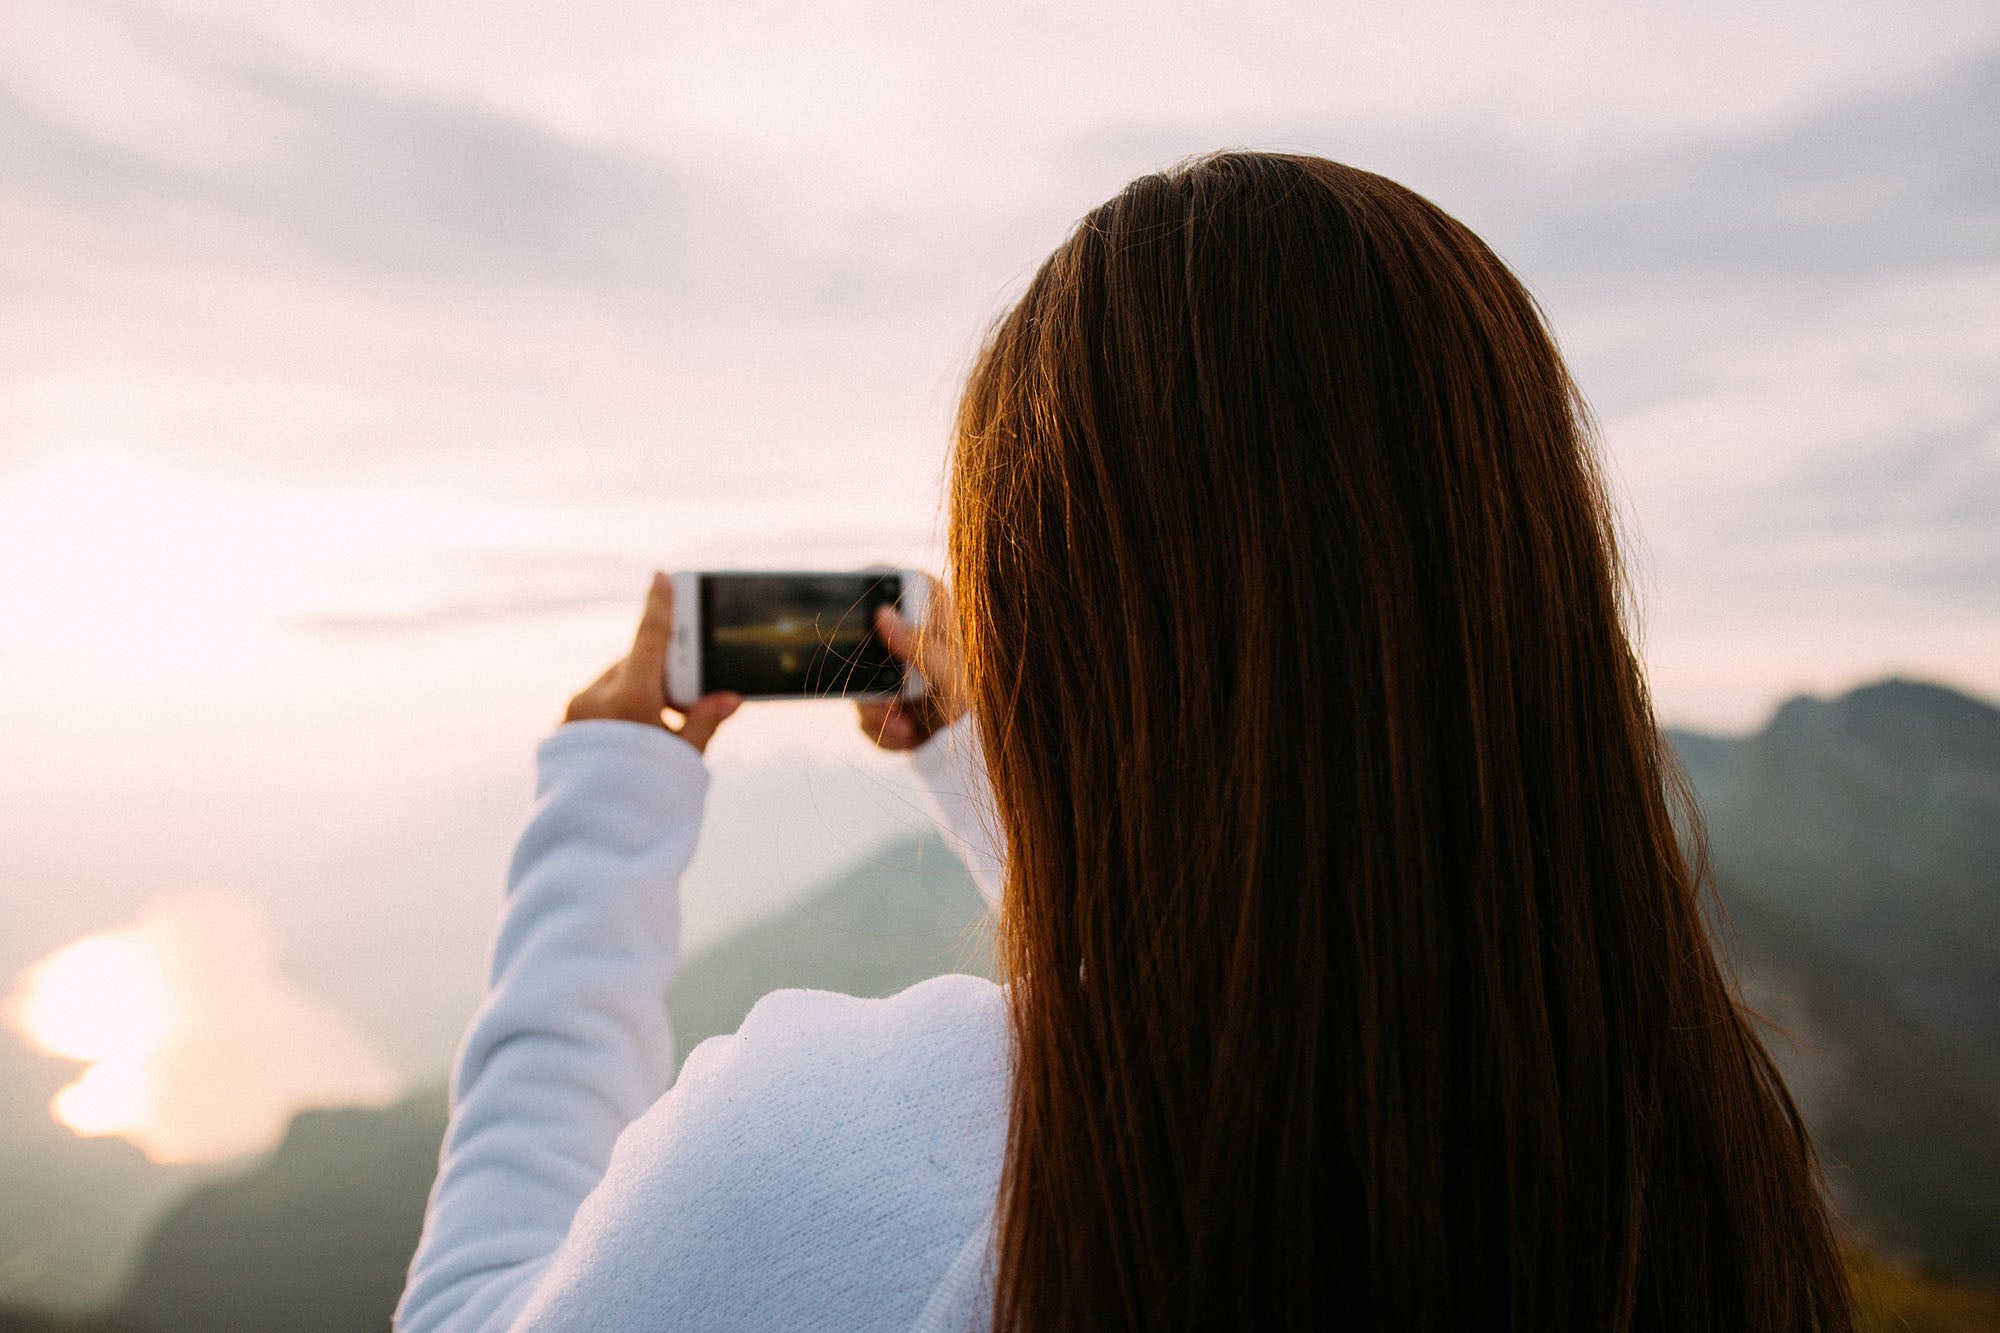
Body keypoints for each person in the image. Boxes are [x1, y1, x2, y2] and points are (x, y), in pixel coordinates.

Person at [396, 152, 1852, 1332]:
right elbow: (1248, 963)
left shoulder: (834, 1158)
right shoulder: (1683, 1147)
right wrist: (1006, 775)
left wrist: (607, 801)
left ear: (1064, 631)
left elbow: (474, 1310)